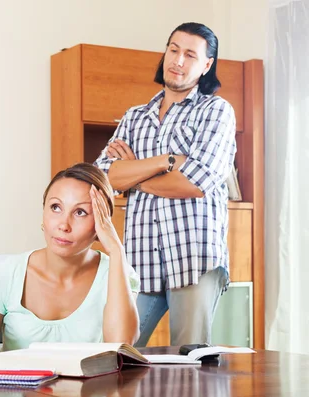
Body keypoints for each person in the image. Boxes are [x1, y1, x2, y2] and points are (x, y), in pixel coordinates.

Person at [94, 22, 235, 346]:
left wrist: (134, 176)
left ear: (206, 65)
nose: (178, 60)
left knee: (190, 362)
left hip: (193, 257)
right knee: (117, 353)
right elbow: (105, 176)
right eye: (173, 49)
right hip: (140, 260)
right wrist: (164, 162)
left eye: (190, 54)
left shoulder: (215, 112)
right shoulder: (134, 117)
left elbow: (195, 182)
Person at [0, 162, 140, 354]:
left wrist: (116, 251)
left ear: (101, 223)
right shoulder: (7, 274)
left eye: (80, 212)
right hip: (19, 384)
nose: (64, 225)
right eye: (55, 207)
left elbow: (121, 347)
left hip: (95, 385)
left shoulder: (117, 273)